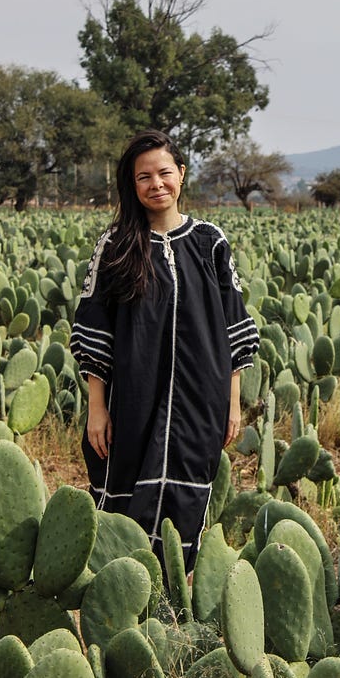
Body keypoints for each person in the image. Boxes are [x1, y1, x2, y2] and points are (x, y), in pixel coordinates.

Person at [70, 129, 259, 571]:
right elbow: (94, 329)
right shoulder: (115, 245)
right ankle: (124, 594)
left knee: (186, 496)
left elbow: (235, 324)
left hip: (200, 399)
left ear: (182, 175)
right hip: (133, 397)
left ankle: (171, 604)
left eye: (164, 173)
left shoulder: (210, 241)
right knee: (125, 493)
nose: (156, 184)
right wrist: (97, 408)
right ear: (131, 185)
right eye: (143, 177)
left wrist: (232, 404)